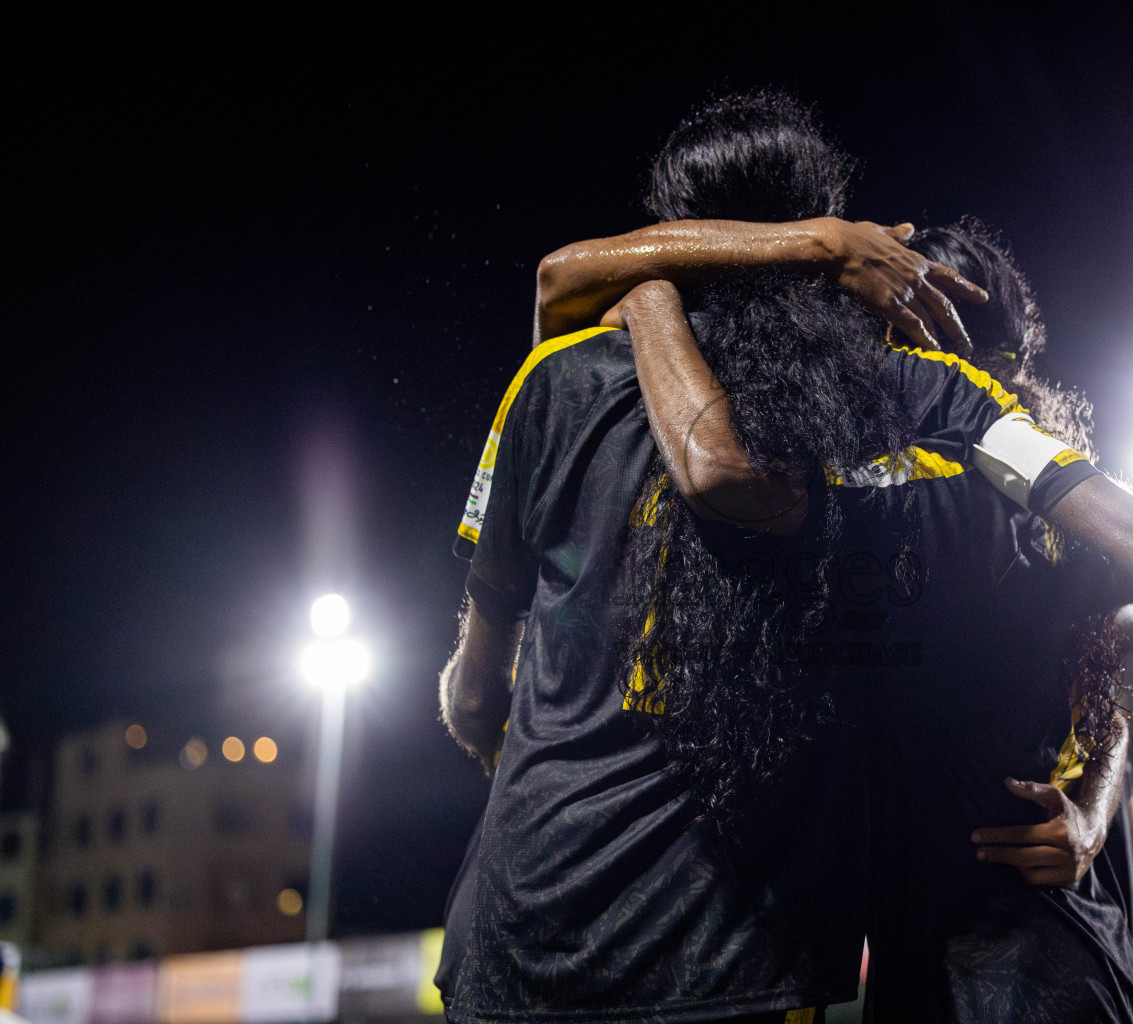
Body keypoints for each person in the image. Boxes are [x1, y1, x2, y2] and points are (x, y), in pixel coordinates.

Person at [437, 91, 1040, 1024]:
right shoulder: (870, 410)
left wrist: (525, 768)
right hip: (735, 951)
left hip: (516, 934)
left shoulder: (550, 381)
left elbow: (475, 694)